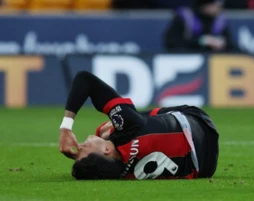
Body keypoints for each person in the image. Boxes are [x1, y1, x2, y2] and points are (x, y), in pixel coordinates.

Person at [58, 71, 219, 180]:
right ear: (106, 150)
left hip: (204, 168)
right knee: (139, 121)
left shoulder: (117, 173)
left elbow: (106, 155)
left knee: (133, 128)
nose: (80, 145)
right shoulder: (128, 127)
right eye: (84, 148)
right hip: (201, 125)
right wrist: (66, 128)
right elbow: (84, 79)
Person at [163, 0, 238, 53]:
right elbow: (171, 42)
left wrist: (222, 43)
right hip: (189, 61)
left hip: (215, 61)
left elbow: (230, 43)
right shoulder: (186, 17)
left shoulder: (219, 20)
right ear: (205, 6)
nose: (219, 8)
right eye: (215, 5)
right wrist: (202, 41)